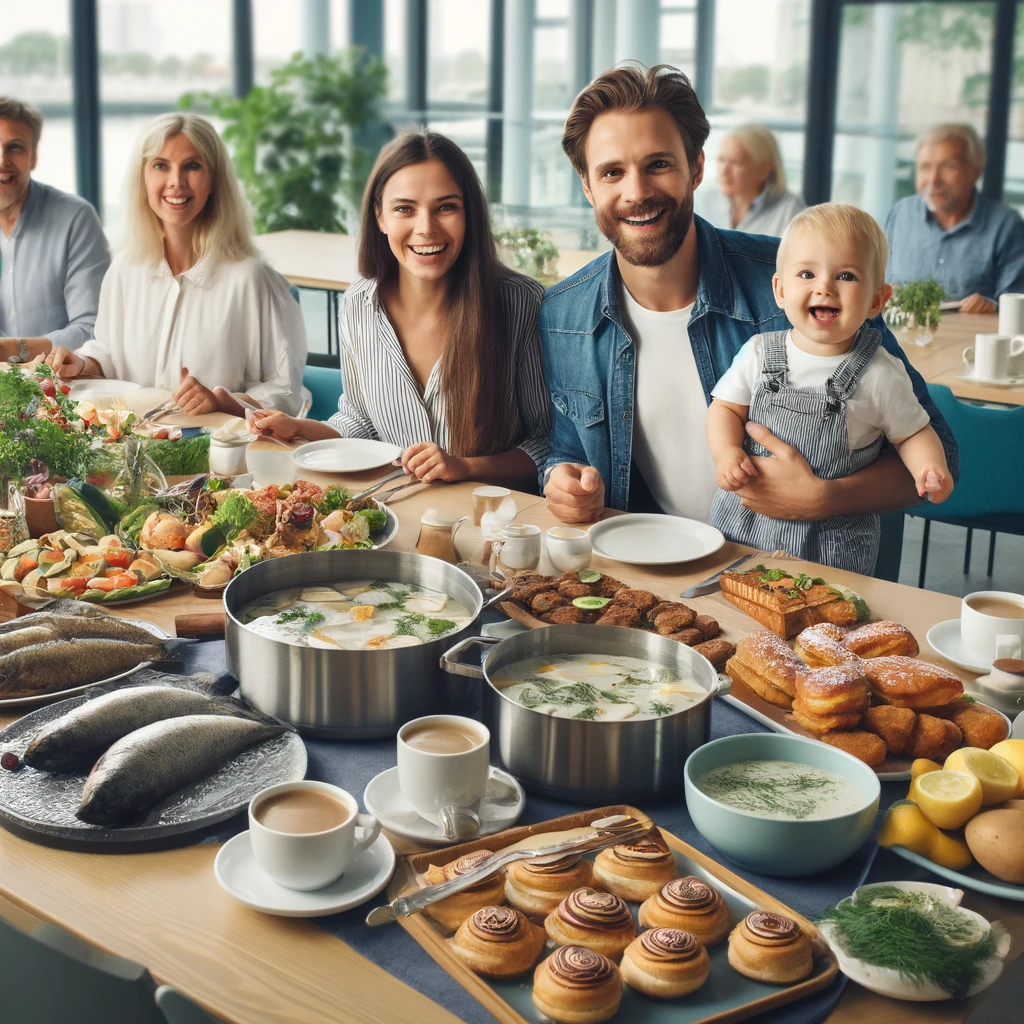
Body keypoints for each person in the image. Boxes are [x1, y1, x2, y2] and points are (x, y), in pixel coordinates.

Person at [541, 62, 958, 555]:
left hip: (791, 570)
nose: (636, 192)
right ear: (588, 186)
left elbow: (939, 454)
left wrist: (825, 499)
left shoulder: (799, 286)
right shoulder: (563, 314)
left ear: (695, 167)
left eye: (658, 164)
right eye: (612, 172)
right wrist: (560, 480)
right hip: (651, 569)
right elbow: (565, 449)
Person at [251, 130, 550, 489]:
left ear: (469, 214)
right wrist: (298, 427)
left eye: (446, 207)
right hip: (401, 512)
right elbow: (359, 425)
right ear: (380, 217)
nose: (426, 228)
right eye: (404, 209)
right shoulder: (358, 305)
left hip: (494, 523)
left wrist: (465, 467)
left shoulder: (522, 303)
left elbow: (548, 444)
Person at [707, 204, 952, 574]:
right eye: (807, 273)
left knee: (825, 625)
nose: (824, 287)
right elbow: (725, 409)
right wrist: (726, 453)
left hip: (830, 547)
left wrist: (930, 467)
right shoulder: (758, 352)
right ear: (780, 290)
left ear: (876, 301)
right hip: (743, 529)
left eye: (847, 276)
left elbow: (914, 433)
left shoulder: (881, 373)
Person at [45, 113, 306, 416]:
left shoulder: (252, 279)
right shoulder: (123, 271)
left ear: (214, 181)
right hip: (133, 450)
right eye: (160, 166)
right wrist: (82, 364)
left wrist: (221, 402)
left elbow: (287, 391)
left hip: (219, 455)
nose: (176, 182)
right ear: (143, 178)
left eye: (192, 166)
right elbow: (110, 354)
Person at [0, 97, 110, 365]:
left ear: (34, 156)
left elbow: (95, 329)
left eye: (14, 147)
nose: (2, 160)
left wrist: (15, 348)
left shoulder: (75, 218)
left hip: (67, 388)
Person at [885, 123, 1024, 314]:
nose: (934, 179)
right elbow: (879, 284)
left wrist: (993, 306)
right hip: (903, 339)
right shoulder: (900, 214)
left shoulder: (1006, 225)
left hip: (970, 340)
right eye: (925, 167)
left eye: (948, 167)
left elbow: (1017, 306)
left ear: (976, 170)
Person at [698, 124, 804, 236]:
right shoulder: (704, 201)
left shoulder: (791, 212)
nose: (724, 171)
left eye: (735, 163)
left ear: (764, 170)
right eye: (721, 160)